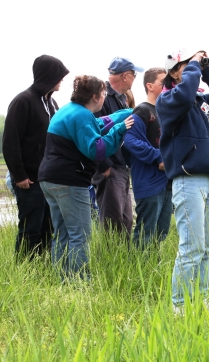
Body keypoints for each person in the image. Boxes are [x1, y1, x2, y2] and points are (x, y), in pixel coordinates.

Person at [156, 48, 209, 310]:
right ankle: (179, 306)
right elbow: (185, 93)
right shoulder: (168, 100)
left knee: (207, 248)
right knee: (191, 247)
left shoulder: (199, 100)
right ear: (175, 71)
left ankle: (199, 299)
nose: (195, 68)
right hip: (188, 179)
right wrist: (193, 67)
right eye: (188, 65)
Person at [38, 76, 133, 279]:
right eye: (103, 93)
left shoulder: (70, 110)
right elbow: (97, 150)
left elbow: (99, 124)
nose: (105, 97)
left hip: (50, 179)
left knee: (63, 233)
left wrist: (125, 114)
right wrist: (120, 129)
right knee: (81, 235)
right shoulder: (81, 115)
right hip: (69, 181)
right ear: (94, 96)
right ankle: (81, 283)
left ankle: (63, 279)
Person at [3, 54, 69, 259]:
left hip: (47, 178)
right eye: (59, 75)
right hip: (28, 180)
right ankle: (24, 270)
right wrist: (19, 175)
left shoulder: (52, 103)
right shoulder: (23, 101)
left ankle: (40, 269)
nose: (62, 79)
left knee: (47, 228)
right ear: (48, 75)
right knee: (29, 228)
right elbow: (10, 141)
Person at [92, 57, 144, 235]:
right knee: (112, 222)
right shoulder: (102, 97)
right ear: (124, 76)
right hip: (110, 167)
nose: (135, 79)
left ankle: (124, 260)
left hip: (121, 166)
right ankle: (108, 260)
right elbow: (93, 133)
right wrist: (104, 165)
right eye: (134, 75)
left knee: (126, 219)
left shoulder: (121, 100)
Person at [122, 67, 172, 249]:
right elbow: (130, 141)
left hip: (168, 182)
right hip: (149, 181)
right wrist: (158, 157)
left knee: (161, 232)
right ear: (150, 86)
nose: (168, 86)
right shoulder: (142, 111)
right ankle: (137, 273)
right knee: (145, 233)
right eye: (163, 83)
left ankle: (153, 272)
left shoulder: (167, 111)